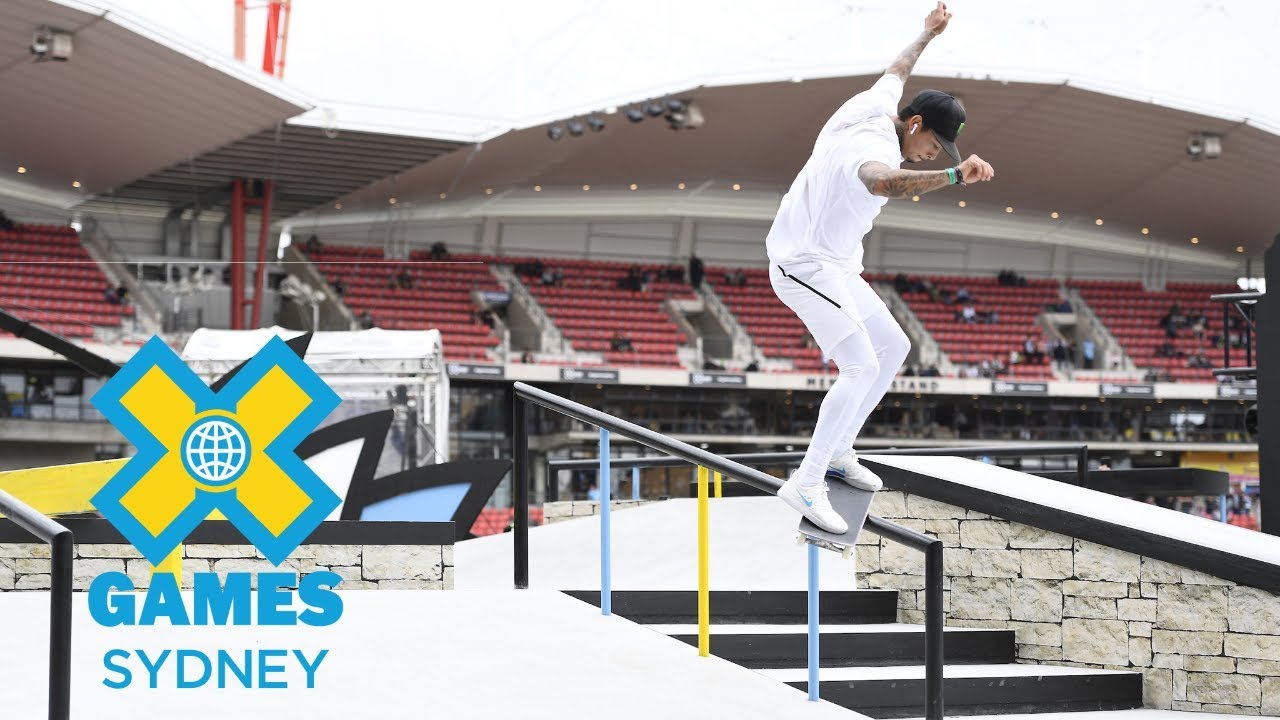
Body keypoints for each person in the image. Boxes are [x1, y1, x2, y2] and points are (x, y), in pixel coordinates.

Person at [767, 2, 992, 534]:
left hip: (839, 265)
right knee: (861, 365)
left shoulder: (878, 101)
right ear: (914, 125)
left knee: (894, 347)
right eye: (932, 145)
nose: (929, 154)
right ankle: (806, 480)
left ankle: (841, 449)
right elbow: (883, 181)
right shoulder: (870, 144)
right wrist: (954, 176)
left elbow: (898, 68)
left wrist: (927, 33)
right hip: (803, 263)